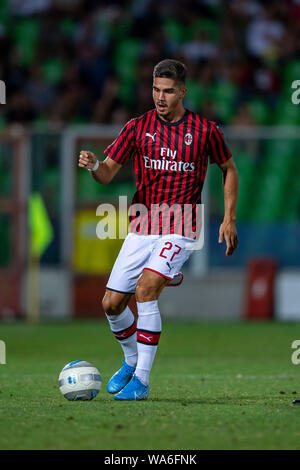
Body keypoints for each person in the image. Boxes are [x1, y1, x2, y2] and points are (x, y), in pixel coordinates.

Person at [78, 59, 239, 401]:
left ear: (183, 91)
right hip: (143, 223)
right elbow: (107, 172)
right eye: (155, 89)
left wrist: (229, 218)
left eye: (168, 91)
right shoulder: (137, 127)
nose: (160, 97)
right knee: (110, 304)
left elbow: (228, 168)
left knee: (146, 289)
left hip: (181, 225)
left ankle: (142, 381)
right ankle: (131, 360)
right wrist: (94, 166)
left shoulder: (206, 130)